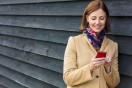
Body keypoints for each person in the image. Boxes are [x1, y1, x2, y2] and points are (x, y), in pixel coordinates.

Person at [63, 0, 120, 88]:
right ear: (87, 18)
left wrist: (108, 67)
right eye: (93, 18)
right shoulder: (74, 42)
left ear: (106, 19)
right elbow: (68, 78)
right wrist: (90, 67)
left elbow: (114, 83)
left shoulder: (113, 46)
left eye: (101, 18)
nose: (97, 22)